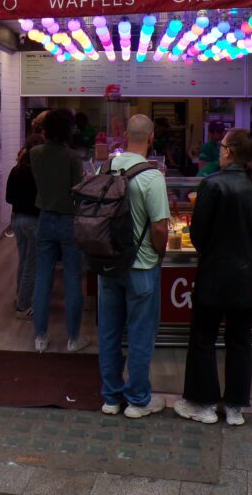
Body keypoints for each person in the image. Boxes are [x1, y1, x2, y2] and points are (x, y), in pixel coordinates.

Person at [175, 127, 252, 427]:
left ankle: (204, 405)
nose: (218, 151)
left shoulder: (212, 185)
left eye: (220, 147)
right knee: (240, 340)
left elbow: (198, 234)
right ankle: (235, 407)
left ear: (229, 151)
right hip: (248, 276)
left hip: (215, 275)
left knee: (203, 338)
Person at [98, 114, 171, 419]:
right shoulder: (152, 177)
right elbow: (160, 229)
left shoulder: (106, 168)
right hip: (141, 268)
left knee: (110, 333)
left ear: (125, 134)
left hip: (108, 264)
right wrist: (159, 255)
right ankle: (138, 400)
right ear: (151, 138)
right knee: (140, 335)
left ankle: (111, 398)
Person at [29, 108, 88, 353]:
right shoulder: (73, 157)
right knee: (72, 278)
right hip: (68, 220)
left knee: (42, 277)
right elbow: (79, 193)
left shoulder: (35, 153)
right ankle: (73, 339)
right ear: (68, 129)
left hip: (44, 218)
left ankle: (40, 338)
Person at [5, 133, 44, 319]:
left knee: (23, 260)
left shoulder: (16, 170)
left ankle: (19, 295)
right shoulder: (39, 172)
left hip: (16, 220)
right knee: (32, 264)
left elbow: (8, 198)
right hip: (33, 221)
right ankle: (23, 306)